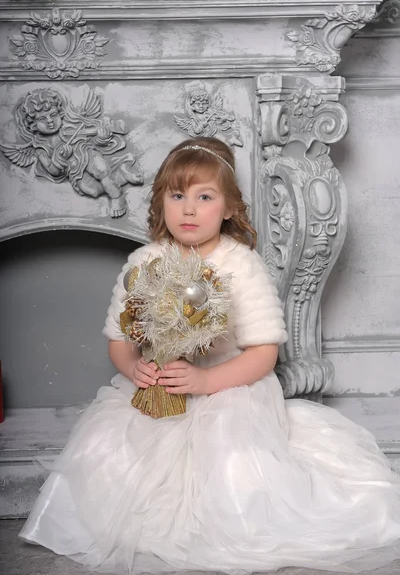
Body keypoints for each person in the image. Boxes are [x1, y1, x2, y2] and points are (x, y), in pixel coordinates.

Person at [20, 137, 400, 574]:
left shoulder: (241, 264)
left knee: (231, 463)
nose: (188, 209)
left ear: (229, 209)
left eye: (204, 197)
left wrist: (205, 383)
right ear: (161, 201)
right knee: (112, 451)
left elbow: (263, 355)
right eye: (177, 196)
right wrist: (135, 368)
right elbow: (120, 340)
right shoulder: (145, 262)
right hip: (162, 384)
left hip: (229, 386)